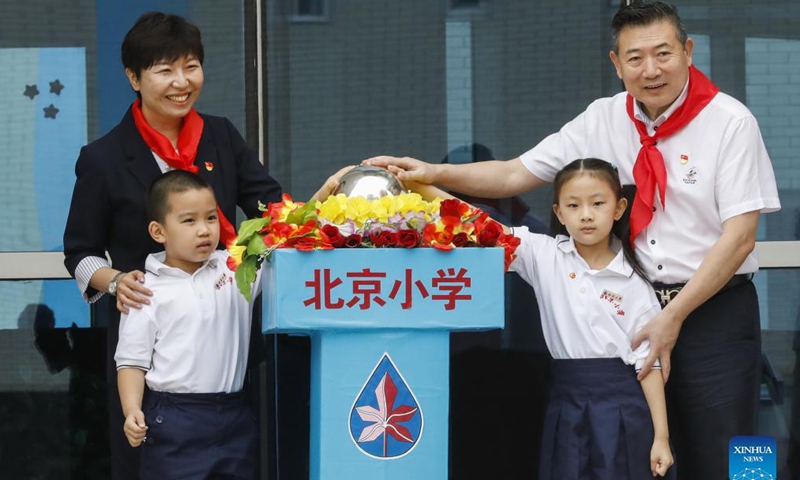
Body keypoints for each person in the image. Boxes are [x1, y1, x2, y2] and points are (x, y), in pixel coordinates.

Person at [365, 2, 780, 478]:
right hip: (632, 312)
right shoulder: (601, 119)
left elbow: (741, 236)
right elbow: (514, 173)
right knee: (644, 454)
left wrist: (674, 315)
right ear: (616, 63)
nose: (651, 70)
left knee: (729, 454)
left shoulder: (730, 121)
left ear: (687, 51)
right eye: (635, 58)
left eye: (663, 54)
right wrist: (434, 172)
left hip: (712, 314)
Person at [62, 12, 343, 479]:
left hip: (226, 340)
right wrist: (114, 282)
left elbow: (272, 212)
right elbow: (79, 252)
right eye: (164, 70)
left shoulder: (221, 135)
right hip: (152, 344)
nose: (181, 82)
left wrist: (322, 206)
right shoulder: (104, 157)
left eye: (190, 66)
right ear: (133, 77)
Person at [116, 171, 259, 478]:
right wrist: (131, 410)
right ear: (158, 231)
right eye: (189, 221)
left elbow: (284, 239)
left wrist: (327, 190)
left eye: (210, 218)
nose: (204, 230)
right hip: (175, 420)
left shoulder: (235, 266)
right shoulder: (144, 290)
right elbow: (131, 362)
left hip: (235, 414)